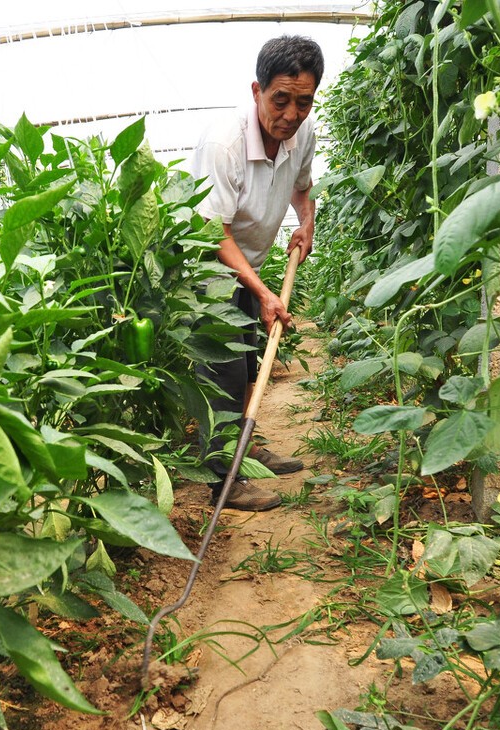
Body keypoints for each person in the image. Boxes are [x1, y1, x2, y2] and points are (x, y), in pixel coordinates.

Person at [190, 34, 323, 511]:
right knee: (223, 369)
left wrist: (305, 223)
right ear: (256, 91)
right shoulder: (224, 145)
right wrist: (266, 293)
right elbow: (216, 234)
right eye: (280, 100)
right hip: (206, 265)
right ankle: (223, 481)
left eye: (302, 102)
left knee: (250, 360)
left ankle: (246, 449)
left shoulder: (301, 133)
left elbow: (302, 190)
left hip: (253, 264)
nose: (290, 114)